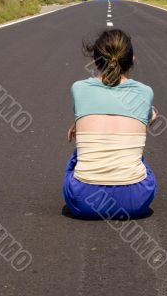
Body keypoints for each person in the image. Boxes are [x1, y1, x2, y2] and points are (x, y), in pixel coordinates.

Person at [63, 29, 157, 219]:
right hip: (135, 202)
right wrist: (151, 117)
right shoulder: (146, 92)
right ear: (132, 61)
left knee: (80, 152)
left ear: (96, 61)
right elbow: (144, 120)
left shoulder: (79, 88)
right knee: (135, 154)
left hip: (83, 201)